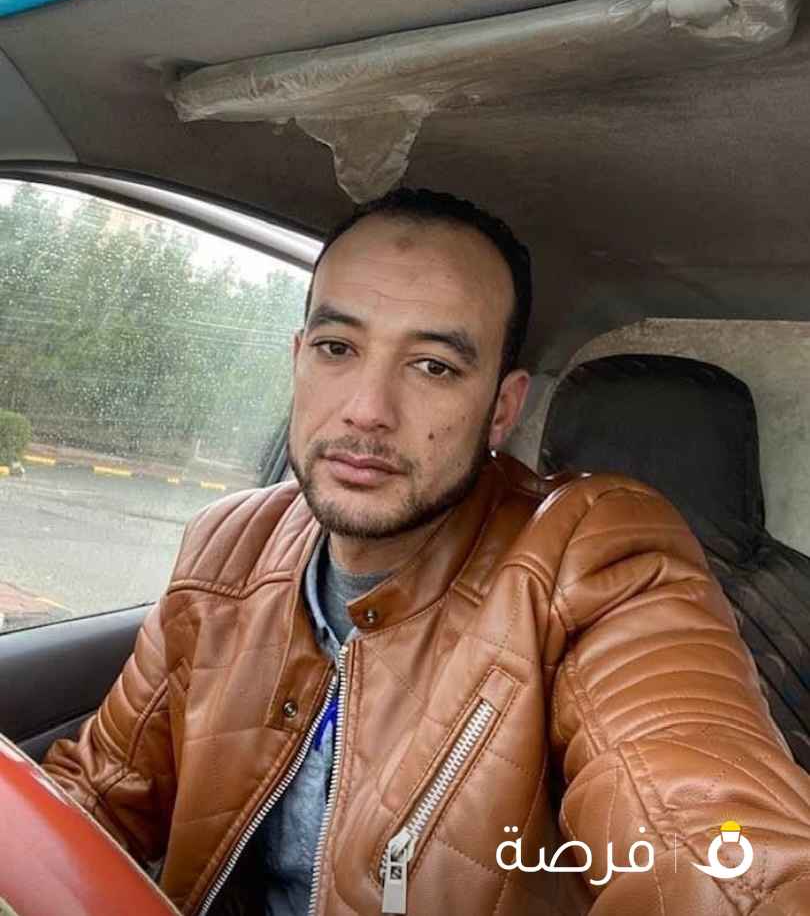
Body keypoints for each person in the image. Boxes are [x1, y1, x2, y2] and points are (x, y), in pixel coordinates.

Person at [43, 188, 810, 916]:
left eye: (434, 366)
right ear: (298, 357)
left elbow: (712, 845)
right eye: (337, 347)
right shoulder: (227, 545)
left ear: (501, 408)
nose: (367, 410)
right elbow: (95, 795)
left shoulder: (593, 557)